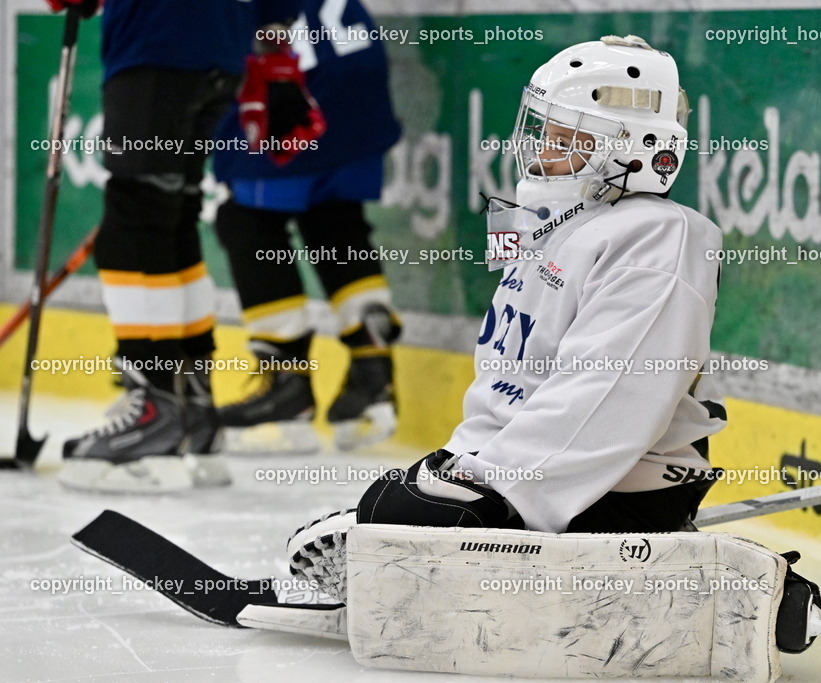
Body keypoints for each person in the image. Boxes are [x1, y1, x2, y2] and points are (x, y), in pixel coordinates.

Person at [288, 34, 728, 586]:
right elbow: (509, 378)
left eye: (570, 137)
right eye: (544, 128)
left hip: (610, 492)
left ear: (634, 150)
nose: (542, 149)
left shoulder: (657, 237)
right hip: (519, 471)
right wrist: (458, 465)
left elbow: (609, 396)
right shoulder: (547, 217)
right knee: (392, 503)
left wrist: (499, 495)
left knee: (399, 513)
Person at [51, 0, 302, 491]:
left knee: (136, 220)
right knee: (173, 218)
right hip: (221, 45)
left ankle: (154, 408)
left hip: (157, 36)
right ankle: (192, 411)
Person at [211, 0, 402, 453]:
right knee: (334, 218)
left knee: (249, 220)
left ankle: (285, 384)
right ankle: (371, 373)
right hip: (359, 69)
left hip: (293, 72)